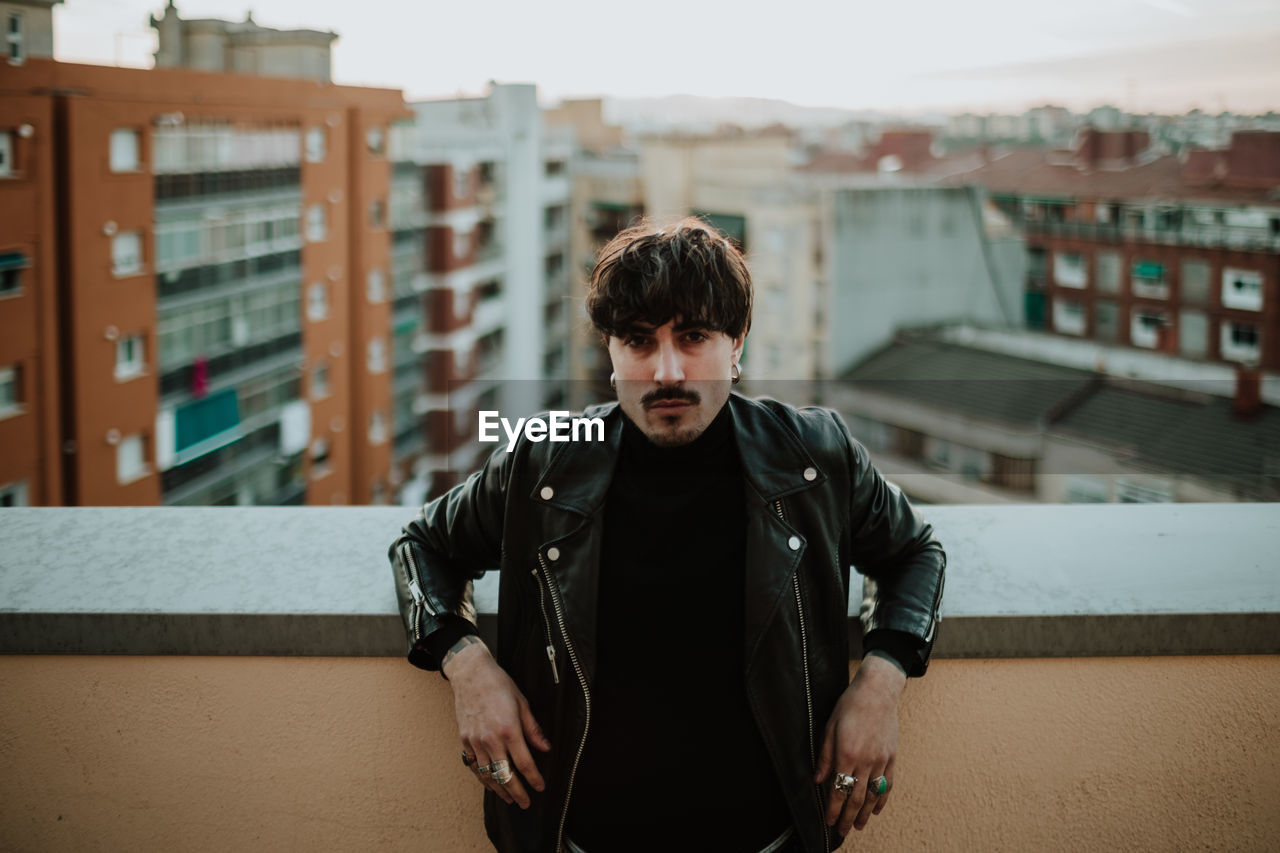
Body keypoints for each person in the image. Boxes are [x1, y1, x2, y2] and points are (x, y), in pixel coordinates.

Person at [389, 217, 946, 853]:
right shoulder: (545, 455)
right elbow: (421, 547)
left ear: (737, 345)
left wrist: (882, 678)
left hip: (770, 837)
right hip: (577, 839)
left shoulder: (812, 452)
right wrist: (466, 665)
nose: (667, 372)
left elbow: (914, 552)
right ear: (611, 353)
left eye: (694, 336)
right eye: (638, 341)